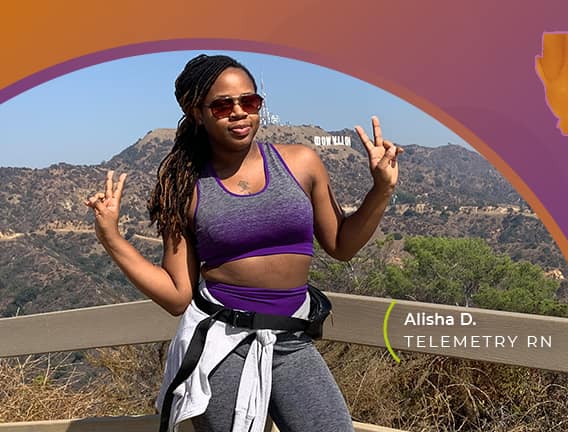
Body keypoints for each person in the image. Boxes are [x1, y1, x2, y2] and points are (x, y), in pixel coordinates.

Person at [84, 53, 403, 432]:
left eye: (249, 102)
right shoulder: (183, 188)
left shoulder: (302, 162)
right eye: (223, 105)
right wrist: (112, 237)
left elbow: (341, 245)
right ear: (196, 112)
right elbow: (176, 296)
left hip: (291, 339)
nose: (239, 112)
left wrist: (381, 189)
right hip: (223, 346)